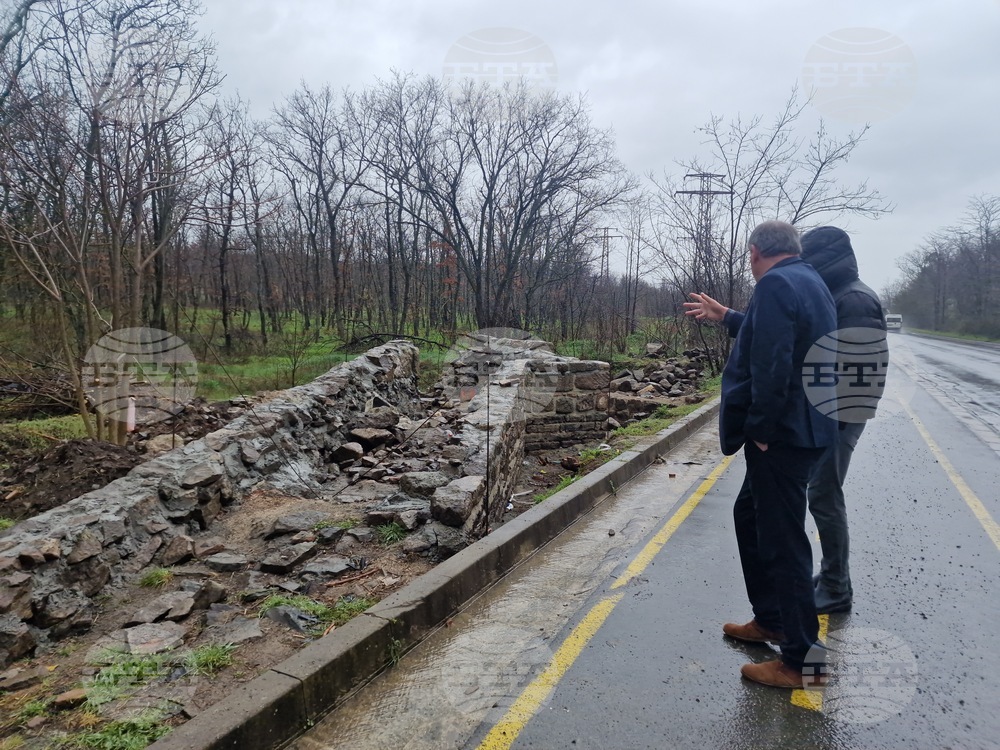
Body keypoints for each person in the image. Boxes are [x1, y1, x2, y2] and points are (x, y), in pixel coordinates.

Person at [685, 226, 886, 615]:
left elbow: (857, 372)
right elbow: (786, 339)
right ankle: (789, 603)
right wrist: (728, 316)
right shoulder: (823, 290)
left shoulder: (855, 299)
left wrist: (827, 427)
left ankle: (834, 586)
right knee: (763, 508)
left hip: (830, 418)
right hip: (810, 418)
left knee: (821, 498)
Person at [689, 220, 837, 688]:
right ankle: (770, 619)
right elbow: (783, 338)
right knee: (750, 515)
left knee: (784, 542)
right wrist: (728, 315)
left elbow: (771, 362)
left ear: (754, 252)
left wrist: (761, 430)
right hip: (807, 428)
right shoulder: (809, 280)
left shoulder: (774, 284)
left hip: (783, 434)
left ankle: (801, 663)